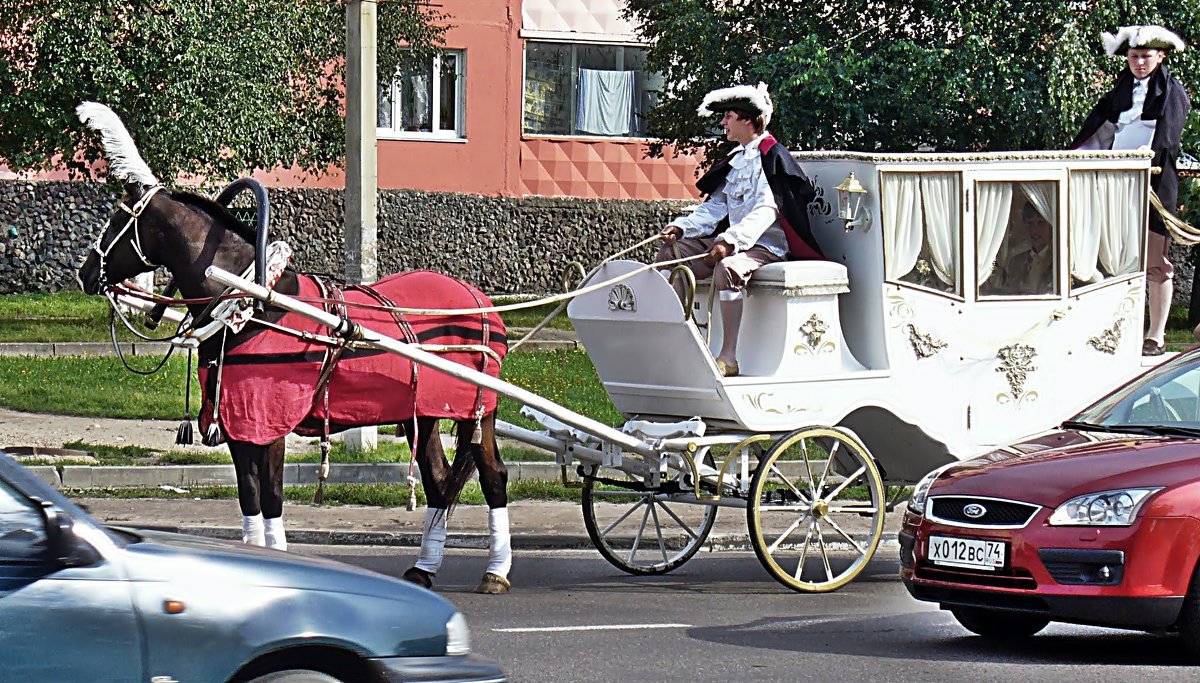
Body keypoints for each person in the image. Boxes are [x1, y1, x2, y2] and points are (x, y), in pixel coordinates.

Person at [656, 82, 823, 377]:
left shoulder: (772, 157)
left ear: (747, 120)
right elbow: (715, 208)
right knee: (671, 253)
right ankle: (681, 344)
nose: (723, 123)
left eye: (728, 116)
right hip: (734, 242)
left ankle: (729, 357)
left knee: (728, 269)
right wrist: (681, 228)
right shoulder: (737, 160)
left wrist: (730, 242)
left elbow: (765, 211)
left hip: (766, 246)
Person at [1069, 25, 1191, 356]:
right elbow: (1099, 133)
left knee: (1155, 260)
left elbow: (1168, 138)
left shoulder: (1171, 91)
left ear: (1160, 56)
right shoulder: (1119, 92)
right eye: (1134, 57)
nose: (1139, 63)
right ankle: (1115, 330)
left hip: (1153, 183)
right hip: (1116, 184)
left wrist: (1145, 163)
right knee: (1114, 258)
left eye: (1145, 57)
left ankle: (1156, 334)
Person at [1001, 202, 1055, 295]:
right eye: (1030, 223)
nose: (1035, 230)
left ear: (1050, 226)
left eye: (1040, 223)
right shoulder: (1016, 262)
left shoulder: (1057, 261)